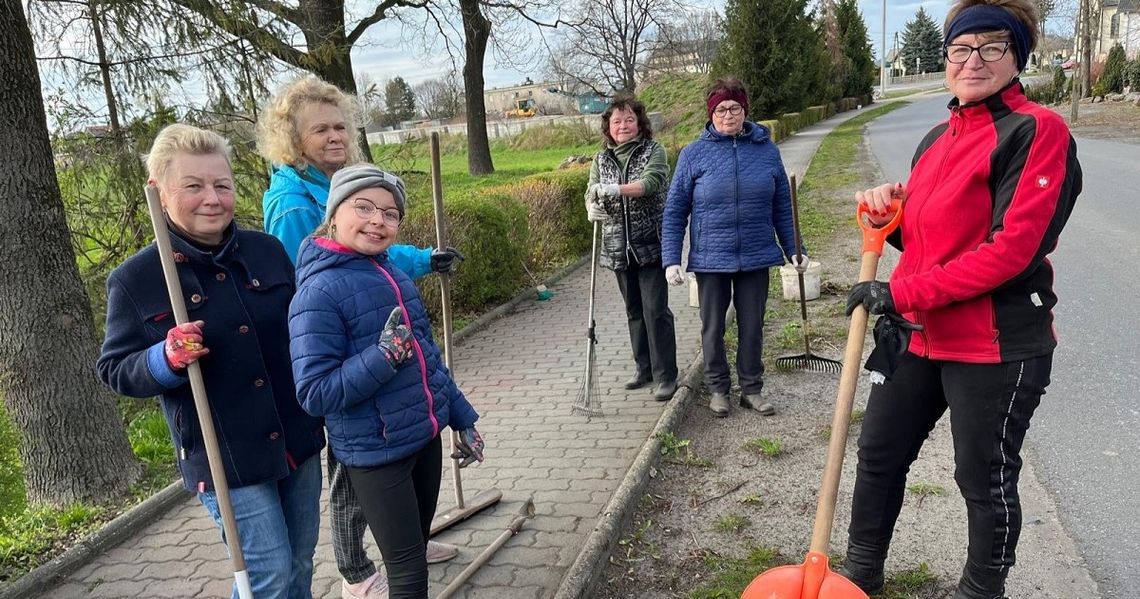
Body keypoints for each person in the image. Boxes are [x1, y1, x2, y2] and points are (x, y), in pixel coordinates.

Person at [840, 1, 1081, 596]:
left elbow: (1009, 252)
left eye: (991, 48)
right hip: (922, 333)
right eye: (960, 49)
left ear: (1016, 57)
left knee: (984, 477)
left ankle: (981, 589)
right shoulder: (935, 138)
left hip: (995, 344)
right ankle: (859, 573)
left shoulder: (1036, 131)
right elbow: (928, 240)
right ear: (945, 57)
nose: (973, 61)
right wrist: (886, 219)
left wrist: (898, 292)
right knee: (879, 454)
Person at [97, 124, 326, 599]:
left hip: (295, 434)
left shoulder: (266, 250)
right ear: (159, 193)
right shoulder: (138, 279)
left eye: (222, 185)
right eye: (194, 186)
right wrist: (164, 357)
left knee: (300, 564)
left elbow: (304, 325)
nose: (212, 198)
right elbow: (115, 368)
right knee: (267, 576)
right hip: (224, 453)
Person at [257, 76, 463, 598]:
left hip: (375, 352)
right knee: (352, 467)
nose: (335, 137)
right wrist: (365, 353)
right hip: (332, 351)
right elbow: (316, 278)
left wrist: (421, 259)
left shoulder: (339, 183)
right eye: (320, 129)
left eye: (340, 127)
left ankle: (406, 545)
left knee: (377, 468)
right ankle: (355, 571)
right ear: (292, 138)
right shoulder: (295, 203)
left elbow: (373, 256)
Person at [289, 164, 484, 599]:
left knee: (415, 548)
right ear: (334, 213)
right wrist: (382, 357)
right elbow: (315, 392)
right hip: (377, 455)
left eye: (390, 213)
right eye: (364, 207)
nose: (378, 220)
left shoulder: (393, 276)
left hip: (423, 439)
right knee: (408, 571)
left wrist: (462, 419)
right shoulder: (316, 293)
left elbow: (429, 363)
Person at [660, 77, 804, 418]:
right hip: (711, 258)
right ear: (711, 113)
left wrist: (795, 248)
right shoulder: (693, 154)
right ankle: (718, 390)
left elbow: (783, 206)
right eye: (721, 109)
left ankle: (751, 389)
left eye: (735, 108)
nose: (728, 115)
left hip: (755, 254)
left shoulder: (766, 151)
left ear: (745, 110)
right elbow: (675, 210)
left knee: (752, 325)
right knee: (713, 327)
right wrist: (671, 260)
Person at [584, 93, 678, 400]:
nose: (622, 125)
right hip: (617, 246)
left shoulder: (654, 151)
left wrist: (612, 189)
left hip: (650, 243)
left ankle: (666, 375)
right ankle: (644, 368)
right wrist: (591, 205)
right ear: (608, 127)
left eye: (628, 119)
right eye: (616, 121)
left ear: (639, 124)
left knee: (655, 311)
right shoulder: (601, 159)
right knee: (634, 310)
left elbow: (650, 183)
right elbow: (591, 191)